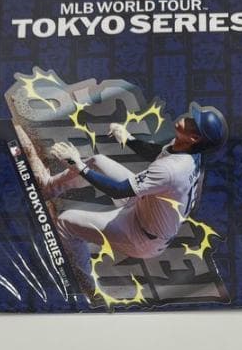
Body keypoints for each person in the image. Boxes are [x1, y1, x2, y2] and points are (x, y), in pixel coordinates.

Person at [36, 102, 228, 271]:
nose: (188, 117)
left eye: (194, 122)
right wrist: (129, 139)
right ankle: (47, 188)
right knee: (98, 161)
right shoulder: (191, 150)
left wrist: (78, 165)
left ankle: (82, 281)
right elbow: (161, 153)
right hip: (145, 207)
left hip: (141, 235)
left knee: (65, 222)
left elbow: (119, 190)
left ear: (194, 138)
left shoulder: (174, 169)